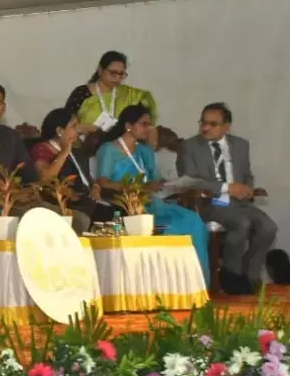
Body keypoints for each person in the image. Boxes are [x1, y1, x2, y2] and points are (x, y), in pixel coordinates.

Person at [94, 105, 210, 284]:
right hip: (128, 207)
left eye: (149, 124)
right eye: (144, 124)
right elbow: (103, 182)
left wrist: (174, 186)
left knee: (194, 221)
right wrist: (135, 187)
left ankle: (196, 285)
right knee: (173, 230)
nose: (148, 129)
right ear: (128, 126)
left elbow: (155, 180)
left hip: (153, 203)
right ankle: (168, 285)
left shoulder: (145, 151)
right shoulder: (109, 150)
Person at [176, 103, 276, 294]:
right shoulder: (189, 147)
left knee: (268, 227)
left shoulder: (240, 145)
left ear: (226, 127)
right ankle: (231, 276)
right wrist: (226, 188)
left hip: (238, 202)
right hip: (209, 202)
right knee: (241, 223)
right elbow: (189, 180)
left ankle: (250, 274)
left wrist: (247, 188)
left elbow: (247, 174)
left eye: (212, 124)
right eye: (203, 122)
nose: (205, 128)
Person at [30, 107, 114, 233]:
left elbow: (85, 178)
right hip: (61, 202)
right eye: (74, 126)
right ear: (59, 131)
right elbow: (45, 178)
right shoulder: (42, 149)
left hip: (85, 201)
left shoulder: (76, 151)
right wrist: (64, 152)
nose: (78, 131)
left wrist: (95, 187)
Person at [67, 50, 158, 133]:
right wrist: (92, 129)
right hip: (87, 143)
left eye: (121, 74)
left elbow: (145, 124)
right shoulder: (82, 93)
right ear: (100, 71)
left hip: (121, 144)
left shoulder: (131, 95)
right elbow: (67, 125)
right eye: (113, 73)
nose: (117, 78)